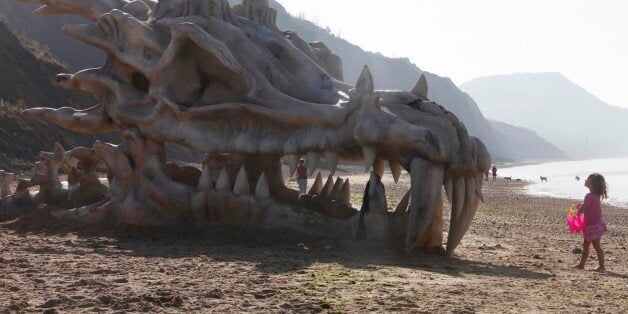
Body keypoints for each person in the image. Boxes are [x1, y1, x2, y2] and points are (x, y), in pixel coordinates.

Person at [573, 173, 608, 271]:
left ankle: (602, 266)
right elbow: (589, 207)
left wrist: (577, 212)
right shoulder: (595, 196)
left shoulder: (589, 196)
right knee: (586, 245)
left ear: (593, 183)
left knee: (596, 246)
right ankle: (582, 264)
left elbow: (583, 209)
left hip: (593, 226)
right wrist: (581, 206)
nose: (585, 180)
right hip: (593, 225)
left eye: (588, 179)